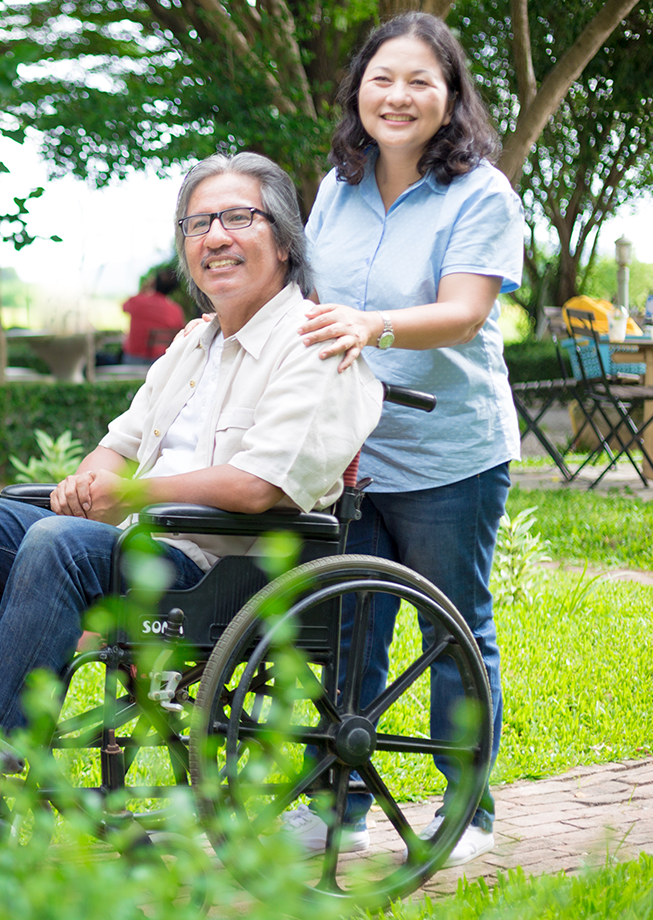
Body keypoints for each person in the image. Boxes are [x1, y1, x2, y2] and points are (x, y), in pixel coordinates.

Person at [0, 152, 384, 813]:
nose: (215, 237)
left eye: (239, 218)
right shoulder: (195, 343)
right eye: (198, 223)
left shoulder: (315, 343)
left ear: (285, 241)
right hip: (138, 547)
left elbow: (260, 487)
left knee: (60, 543)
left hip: (224, 571)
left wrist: (130, 497)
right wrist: (86, 484)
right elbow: (120, 446)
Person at [281, 12, 524, 868]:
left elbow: (463, 312)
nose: (399, 95)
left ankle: (467, 811)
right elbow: (308, 302)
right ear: (359, 90)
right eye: (383, 78)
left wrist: (372, 325)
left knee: (451, 628)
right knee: (349, 627)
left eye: (421, 80)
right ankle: (337, 807)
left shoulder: (482, 194)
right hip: (350, 453)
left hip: (448, 453)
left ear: (451, 97)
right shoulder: (336, 188)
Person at [121, 268, 186, 364]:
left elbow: (124, 307)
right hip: (160, 360)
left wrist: (143, 289)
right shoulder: (176, 310)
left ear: (154, 284)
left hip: (134, 359)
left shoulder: (137, 302)